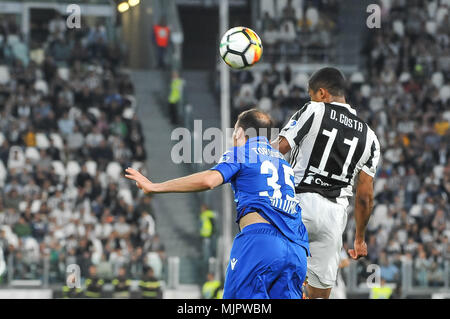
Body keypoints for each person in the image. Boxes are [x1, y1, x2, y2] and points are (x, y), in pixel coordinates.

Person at [125, 109, 310, 299]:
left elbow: (209, 181)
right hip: (297, 248)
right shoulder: (284, 163)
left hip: (260, 243)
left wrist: (155, 187)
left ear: (239, 133)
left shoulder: (242, 152)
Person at [272, 67, 381, 299]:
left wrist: (246, 154)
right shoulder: (370, 137)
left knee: (275, 282)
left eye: (311, 94)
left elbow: (278, 149)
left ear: (321, 93)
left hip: (298, 205)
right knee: (320, 296)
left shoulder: (314, 110)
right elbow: (364, 197)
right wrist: (359, 238)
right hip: (334, 217)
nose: (310, 99)